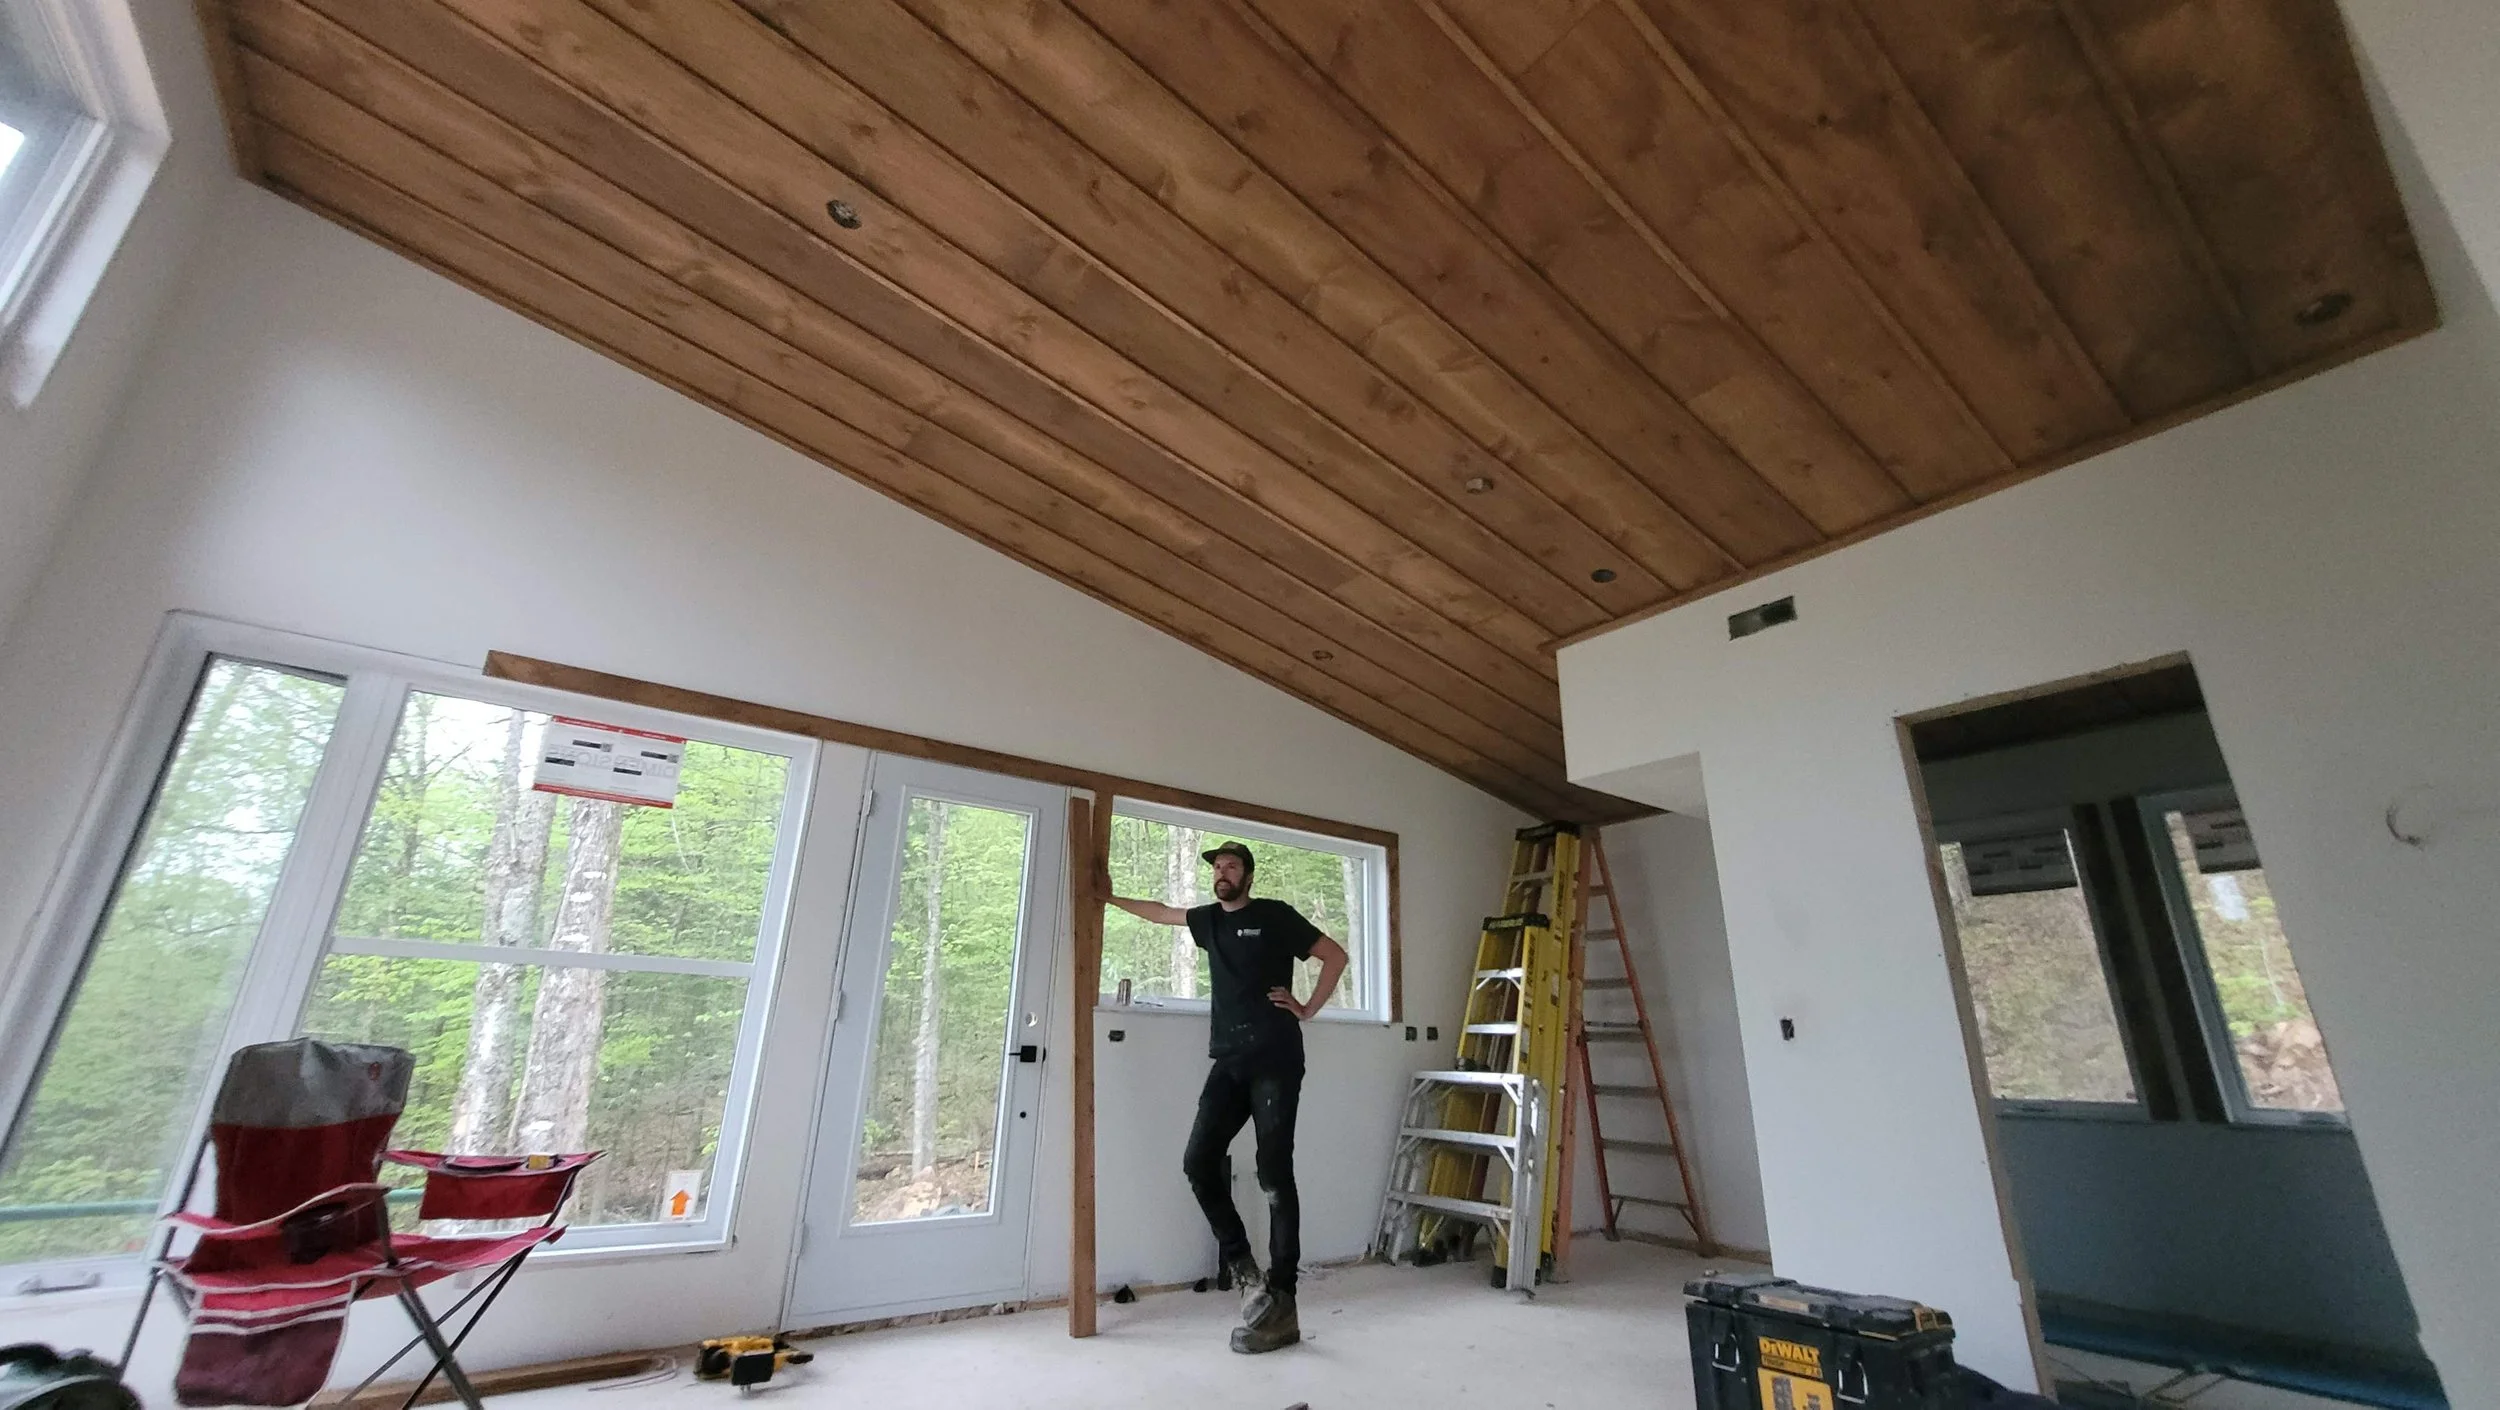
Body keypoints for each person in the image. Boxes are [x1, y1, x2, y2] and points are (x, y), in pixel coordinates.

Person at [1106, 840, 1348, 1354]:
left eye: (1232, 865)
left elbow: (1335, 955)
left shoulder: (1275, 915)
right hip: (1230, 1061)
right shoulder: (1209, 921)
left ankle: (1282, 1298)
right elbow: (1161, 913)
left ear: (1248, 876)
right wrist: (1107, 897)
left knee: (1273, 1174)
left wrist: (1307, 1008)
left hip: (1276, 1058)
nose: (1222, 872)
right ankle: (1244, 1269)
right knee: (1198, 1161)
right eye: (1217, 866)